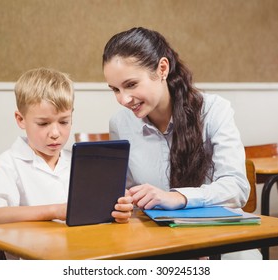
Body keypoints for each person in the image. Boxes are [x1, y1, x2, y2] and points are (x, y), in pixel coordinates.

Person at [102, 27, 261, 260]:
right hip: (159, 246)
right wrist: (122, 203)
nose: (123, 99)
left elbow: (237, 188)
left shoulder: (214, 110)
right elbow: (126, 197)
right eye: (115, 89)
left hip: (222, 244)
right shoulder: (119, 123)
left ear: (162, 69)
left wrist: (179, 197)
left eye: (131, 84)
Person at [0, 68, 133, 230]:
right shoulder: (7, 165)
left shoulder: (81, 163)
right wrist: (54, 211)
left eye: (64, 122)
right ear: (20, 119)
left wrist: (117, 211)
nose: (55, 133)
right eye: (43, 123)